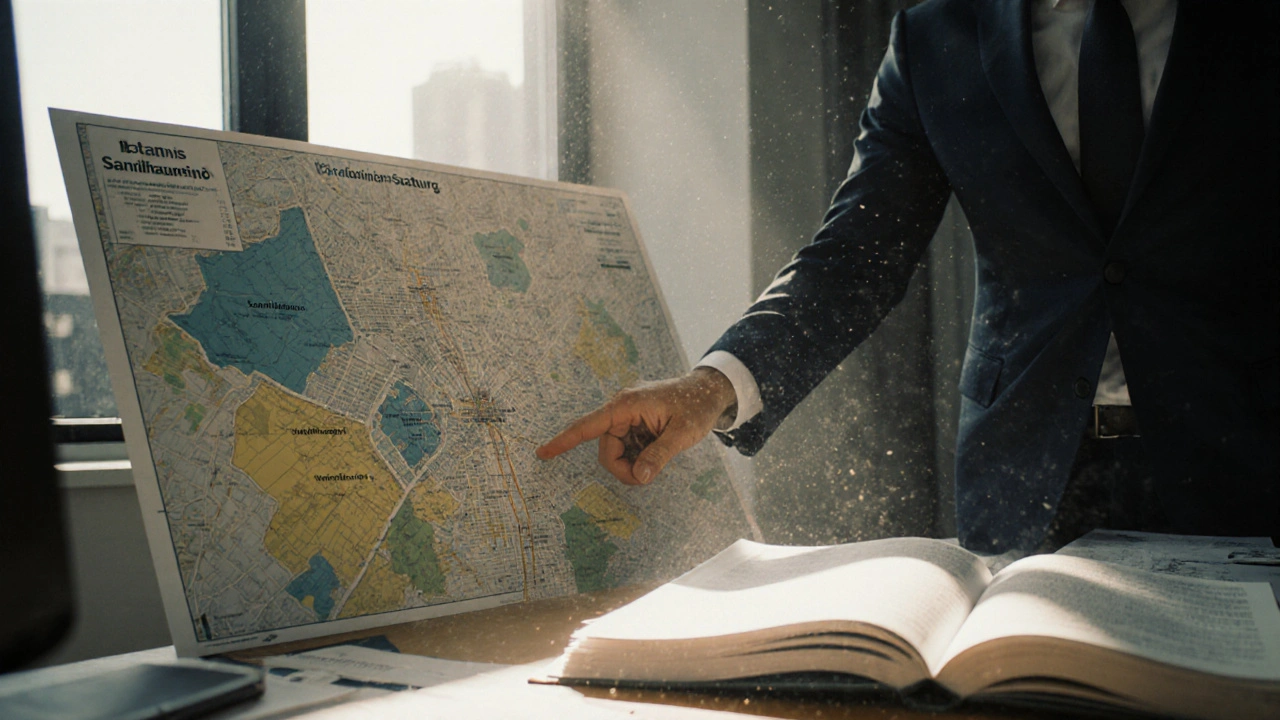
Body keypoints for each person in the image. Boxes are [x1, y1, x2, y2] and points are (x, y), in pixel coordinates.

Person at [539, 0, 1278, 553]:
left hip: (1240, 464)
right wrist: (708, 389)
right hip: (1026, 480)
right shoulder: (936, 38)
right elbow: (856, 257)